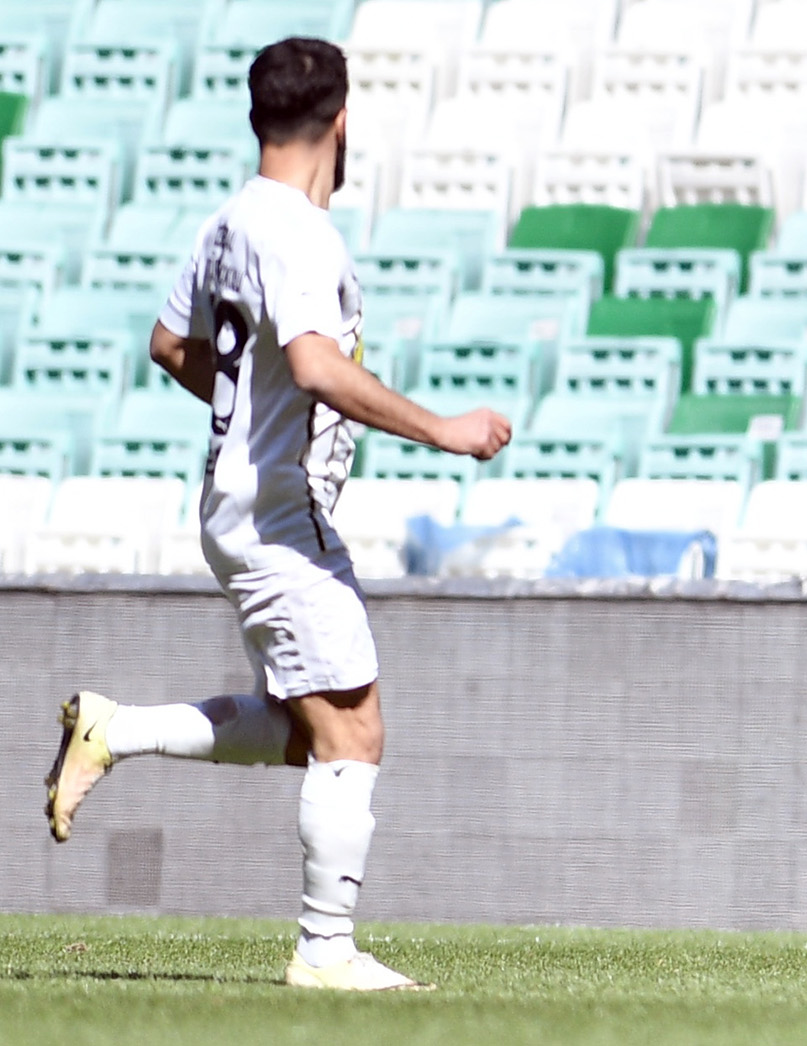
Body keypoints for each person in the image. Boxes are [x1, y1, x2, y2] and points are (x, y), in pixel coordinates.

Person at [43, 37, 512, 991]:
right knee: (355, 732)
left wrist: (247, 414)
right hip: (277, 515)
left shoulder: (229, 221)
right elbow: (312, 362)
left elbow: (169, 343)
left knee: (312, 730)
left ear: (259, 119)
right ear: (341, 122)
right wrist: (444, 429)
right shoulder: (300, 232)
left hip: (237, 503)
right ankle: (325, 951)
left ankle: (113, 730)